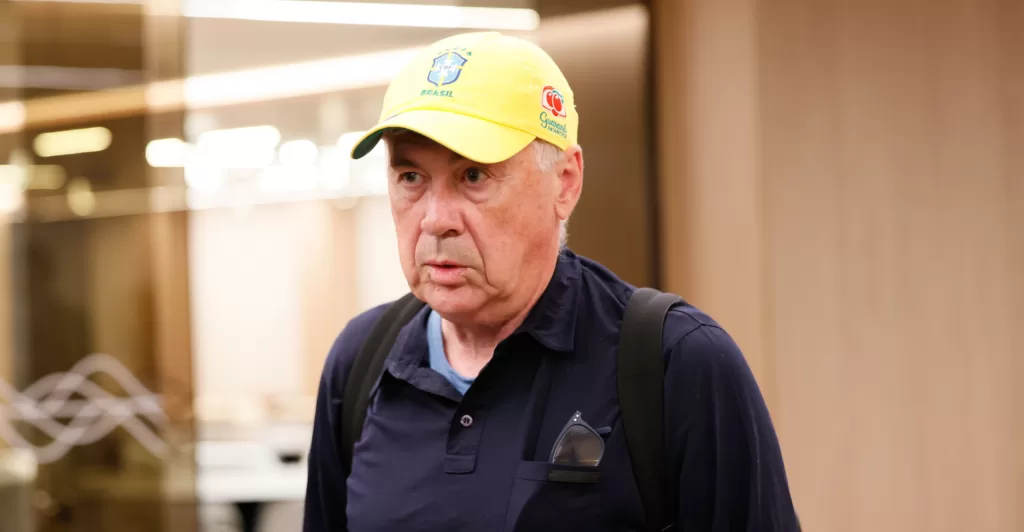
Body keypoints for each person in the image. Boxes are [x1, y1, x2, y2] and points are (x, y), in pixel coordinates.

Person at [303, 31, 799, 532]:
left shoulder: (676, 364)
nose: (435, 220)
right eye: (411, 177)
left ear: (565, 182)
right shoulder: (361, 363)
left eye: (473, 176)